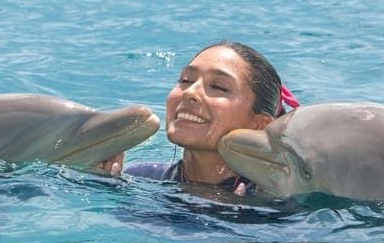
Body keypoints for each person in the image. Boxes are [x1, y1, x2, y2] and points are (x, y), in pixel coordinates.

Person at [98, 41, 299, 196]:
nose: (189, 92)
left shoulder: (280, 196)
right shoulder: (141, 177)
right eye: (185, 80)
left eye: (218, 87)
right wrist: (105, 188)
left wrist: (252, 227)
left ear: (258, 125)